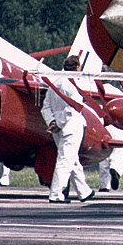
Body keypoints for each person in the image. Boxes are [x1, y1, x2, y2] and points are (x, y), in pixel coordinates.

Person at [41, 56, 95, 203]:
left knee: (72, 159)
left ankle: (84, 191)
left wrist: (52, 122)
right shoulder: (73, 84)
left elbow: (45, 107)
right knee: (65, 160)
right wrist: (59, 123)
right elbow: (74, 107)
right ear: (78, 67)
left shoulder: (55, 83)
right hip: (71, 125)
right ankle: (56, 194)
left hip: (57, 128)